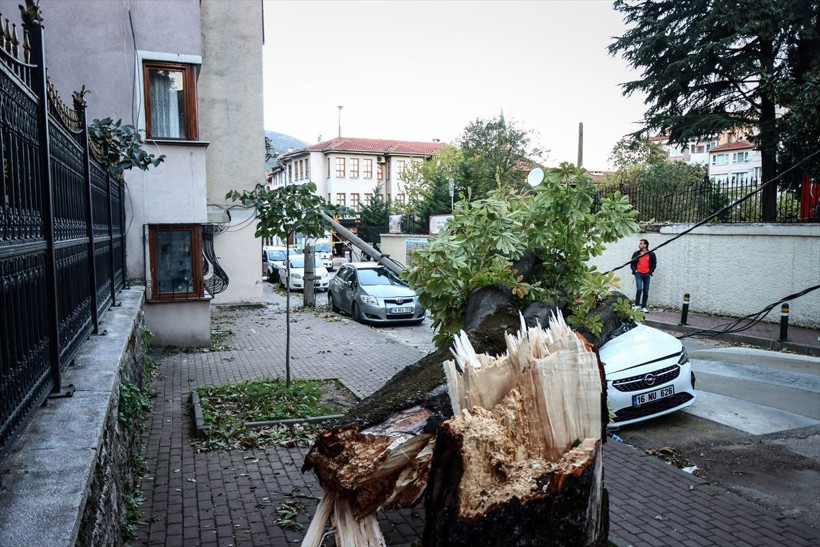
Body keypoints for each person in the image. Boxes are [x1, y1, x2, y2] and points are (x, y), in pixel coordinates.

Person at [630, 238, 656, 312]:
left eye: (641, 243)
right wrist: (635, 270)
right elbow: (632, 262)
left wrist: (651, 271)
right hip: (638, 274)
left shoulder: (651, 254)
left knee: (645, 291)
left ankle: (643, 307)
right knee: (639, 289)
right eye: (639, 243)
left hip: (647, 274)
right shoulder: (636, 253)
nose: (639, 245)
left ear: (645, 245)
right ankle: (637, 305)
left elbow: (654, 263)